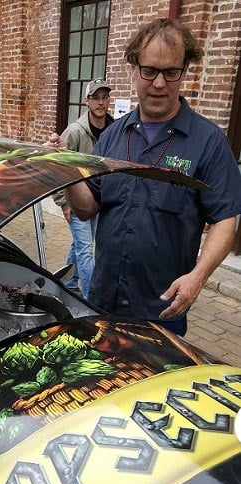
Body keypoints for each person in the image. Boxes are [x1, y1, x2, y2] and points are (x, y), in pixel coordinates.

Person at [52, 18, 241, 336]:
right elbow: (87, 208)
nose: (158, 83)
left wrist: (197, 278)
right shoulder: (112, 135)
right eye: (149, 70)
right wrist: (67, 170)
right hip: (103, 300)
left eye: (171, 72)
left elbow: (226, 219)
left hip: (161, 311)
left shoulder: (208, 142)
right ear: (132, 68)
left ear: (185, 70)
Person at [54, 78, 113, 297]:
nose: (100, 103)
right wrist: (64, 204)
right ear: (87, 101)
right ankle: (90, 299)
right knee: (86, 250)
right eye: (96, 98)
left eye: (104, 97)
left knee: (80, 245)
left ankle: (67, 283)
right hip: (77, 201)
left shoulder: (113, 128)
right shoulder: (75, 131)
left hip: (99, 200)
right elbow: (59, 167)